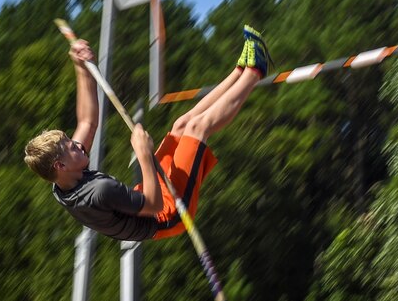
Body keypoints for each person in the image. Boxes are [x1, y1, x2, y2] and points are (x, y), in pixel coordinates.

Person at [24, 25, 272, 241]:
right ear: (60, 165)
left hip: (146, 195)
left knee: (181, 125)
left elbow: (88, 121)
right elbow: (154, 205)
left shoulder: (63, 179)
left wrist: (81, 68)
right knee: (198, 129)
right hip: (166, 214)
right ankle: (255, 71)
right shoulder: (97, 192)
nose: (77, 144)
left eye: (70, 140)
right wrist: (143, 154)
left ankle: (239, 71)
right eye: (70, 147)